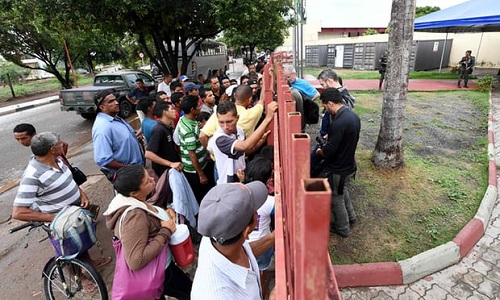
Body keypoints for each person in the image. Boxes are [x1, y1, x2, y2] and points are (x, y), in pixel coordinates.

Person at [12, 132, 111, 276]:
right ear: (52, 149)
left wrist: (81, 193)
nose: (63, 144)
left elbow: (69, 180)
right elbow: (18, 212)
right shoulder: (32, 176)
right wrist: (53, 218)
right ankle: (79, 278)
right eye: (59, 143)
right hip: (61, 223)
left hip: (75, 214)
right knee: (69, 251)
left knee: (81, 241)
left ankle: (89, 263)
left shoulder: (58, 161)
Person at [104, 165, 192, 299]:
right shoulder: (134, 217)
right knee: (191, 293)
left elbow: (146, 211)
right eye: (147, 181)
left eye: (149, 175)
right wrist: (165, 230)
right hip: (159, 272)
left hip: (159, 268)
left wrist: (162, 212)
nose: (152, 179)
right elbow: (135, 261)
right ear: (133, 193)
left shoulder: (131, 200)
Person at [191, 181, 272, 300]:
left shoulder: (215, 235)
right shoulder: (217, 295)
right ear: (247, 231)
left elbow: (246, 253)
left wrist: (272, 238)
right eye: (255, 210)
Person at [315, 88, 360, 238]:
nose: (325, 110)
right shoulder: (352, 117)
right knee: (342, 191)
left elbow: (329, 151)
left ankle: (343, 228)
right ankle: (352, 217)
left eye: (325, 107)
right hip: (349, 165)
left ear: (331, 103)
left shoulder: (339, 122)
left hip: (338, 169)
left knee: (336, 198)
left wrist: (320, 152)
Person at [208, 100, 277, 184]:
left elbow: (245, 151)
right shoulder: (220, 138)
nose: (225, 127)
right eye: (221, 122)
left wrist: (260, 141)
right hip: (227, 185)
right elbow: (245, 146)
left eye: (229, 121)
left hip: (240, 179)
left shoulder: (239, 130)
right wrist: (268, 119)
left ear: (237, 118)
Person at [242, 157, 275, 298]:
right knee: (261, 272)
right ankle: (263, 294)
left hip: (244, 244)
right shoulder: (269, 202)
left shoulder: (240, 193)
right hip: (263, 244)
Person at [92, 89, 144, 174]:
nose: (116, 103)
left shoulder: (115, 118)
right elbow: (103, 160)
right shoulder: (102, 128)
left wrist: (134, 138)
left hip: (136, 169)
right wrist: (128, 169)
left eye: (115, 99)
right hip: (128, 174)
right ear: (102, 107)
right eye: (111, 101)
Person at [178, 95, 215, 202]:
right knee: (203, 196)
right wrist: (201, 174)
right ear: (192, 110)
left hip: (201, 164)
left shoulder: (185, 120)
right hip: (195, 170)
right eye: (198, 106)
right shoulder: (188, 130)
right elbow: (192, 154)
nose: (200, 108)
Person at [145, 101, 184, 178]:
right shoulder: (158, 130)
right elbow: (148, 154)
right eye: (171, 109)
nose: (174, 111)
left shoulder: (168, 126)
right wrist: (170, 164)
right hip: (165, 172)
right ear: (165, 112)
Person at [283, 65, 320, 131]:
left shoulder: (302, 83)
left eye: (288, 77)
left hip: (301, 114)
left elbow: (317, 94)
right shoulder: (287, 83)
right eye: (285, 77)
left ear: (294, 74)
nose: (287, 79)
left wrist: (307, 103)